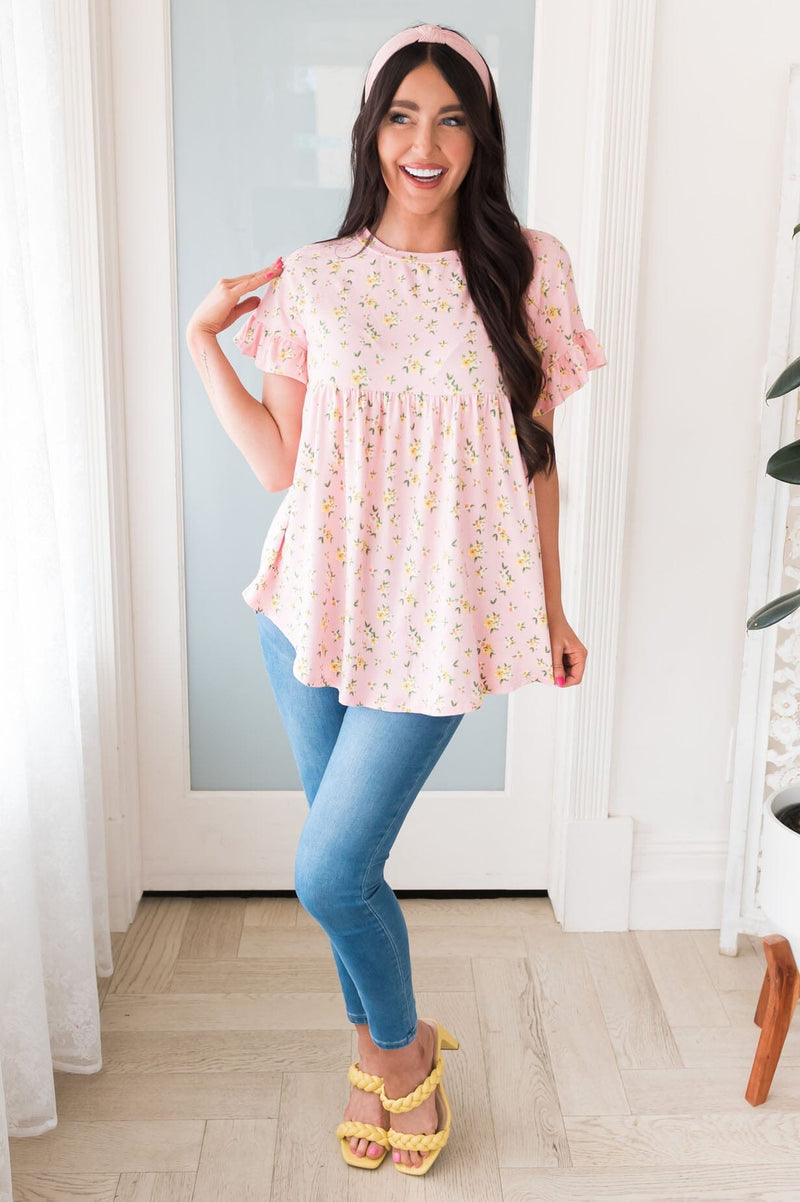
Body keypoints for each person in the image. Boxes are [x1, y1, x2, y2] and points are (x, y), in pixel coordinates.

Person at [186, 21, 607, 1177]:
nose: (426, 142)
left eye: (451, 117)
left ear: (481, 134)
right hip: (309, 608)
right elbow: (279, 464)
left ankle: (404, 1053)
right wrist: (201, 341)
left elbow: (535, 458)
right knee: (349, 871)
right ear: (370, 132)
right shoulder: (317, 277)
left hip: (438, 622)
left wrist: (553, 607)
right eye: (402, 115)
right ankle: (381, 1050)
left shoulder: (525, 267)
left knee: (327, 872)